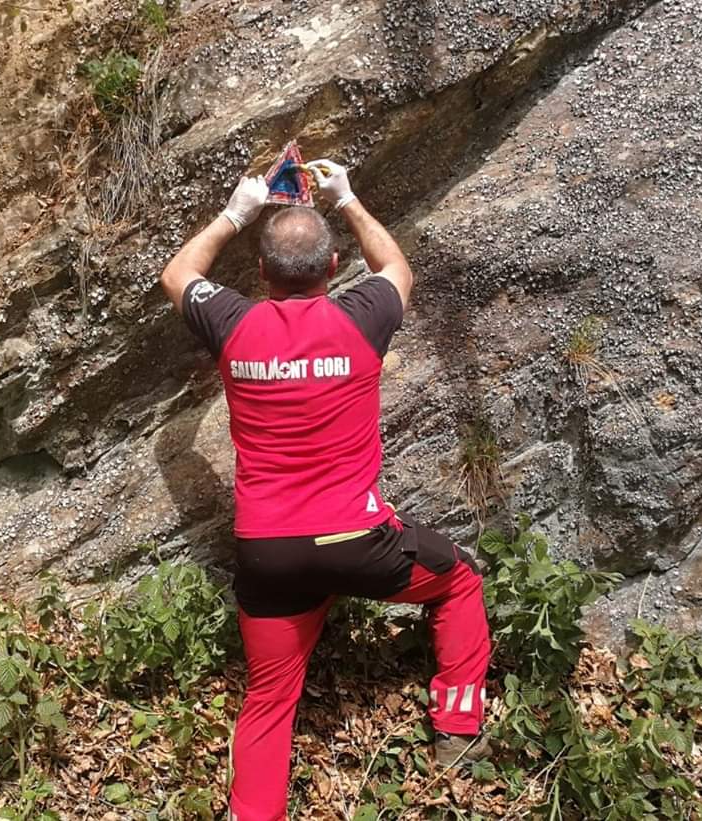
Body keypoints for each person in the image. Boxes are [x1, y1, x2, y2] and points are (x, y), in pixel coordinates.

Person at [159, 159, 491, 821]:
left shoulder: (233, 323)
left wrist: (235, 212)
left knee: (269, 700)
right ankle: (457, 731)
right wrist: (347, 199)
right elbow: (396, 266)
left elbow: (178, 274)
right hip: (358, 541)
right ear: (334, 267)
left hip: (269, 552)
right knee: (459, 582)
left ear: (261, 273)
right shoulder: (362, 316)